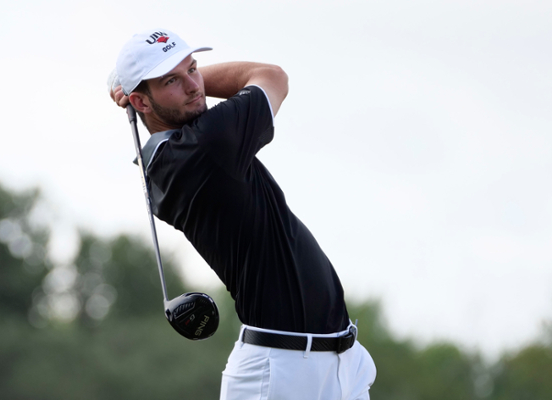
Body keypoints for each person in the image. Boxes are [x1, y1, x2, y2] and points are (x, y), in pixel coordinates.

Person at [108, 29, 377, 399]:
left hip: (336, 362)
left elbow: (188, 94)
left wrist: (149, 82)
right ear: (140, 102)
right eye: (172, 80)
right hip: (281, 373)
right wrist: (139, 82)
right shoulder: (208, 144)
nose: (193, 86)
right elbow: (272, 76)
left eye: (193, 68)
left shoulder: (169, 155)